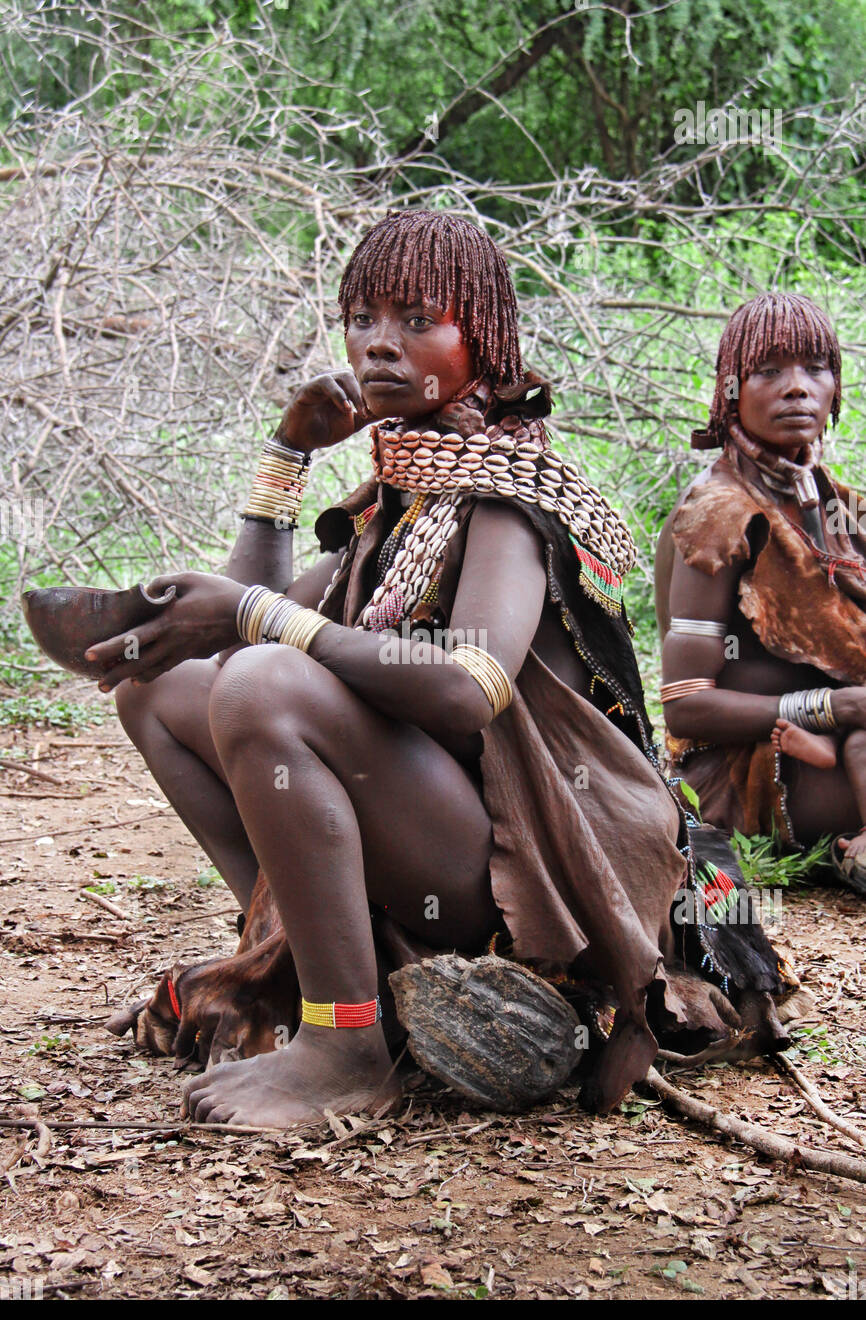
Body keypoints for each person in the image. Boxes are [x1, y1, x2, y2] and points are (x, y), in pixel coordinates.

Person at [90, 213, 786, 1129]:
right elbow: (226, 635)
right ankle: (330, 964)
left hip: (526, 871)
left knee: (267, 683)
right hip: (433, 833)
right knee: (166, 685)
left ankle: (344, 1043)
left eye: (419, 318)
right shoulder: (396, 503)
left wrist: (255, 618)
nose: (382, 342)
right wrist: (287, 454)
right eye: (363, 317)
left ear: (484, 342)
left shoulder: (509, 502)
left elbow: (469, 686)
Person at [656, 291, 866, 890]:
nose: (796, 387)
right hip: (752, 773)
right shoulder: (716, 515)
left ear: (836, 388)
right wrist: (836, 706)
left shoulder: (843, 509)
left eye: (814, 369)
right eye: (769, 371)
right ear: (730, 392)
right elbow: (685, 705)